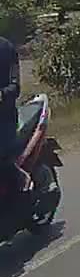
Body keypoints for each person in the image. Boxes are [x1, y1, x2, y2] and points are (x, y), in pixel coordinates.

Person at [0, 34, 30, 198]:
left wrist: (2, 94)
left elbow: (15, 86)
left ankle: (20, 178)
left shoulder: (6, 48)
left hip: (4, 116)